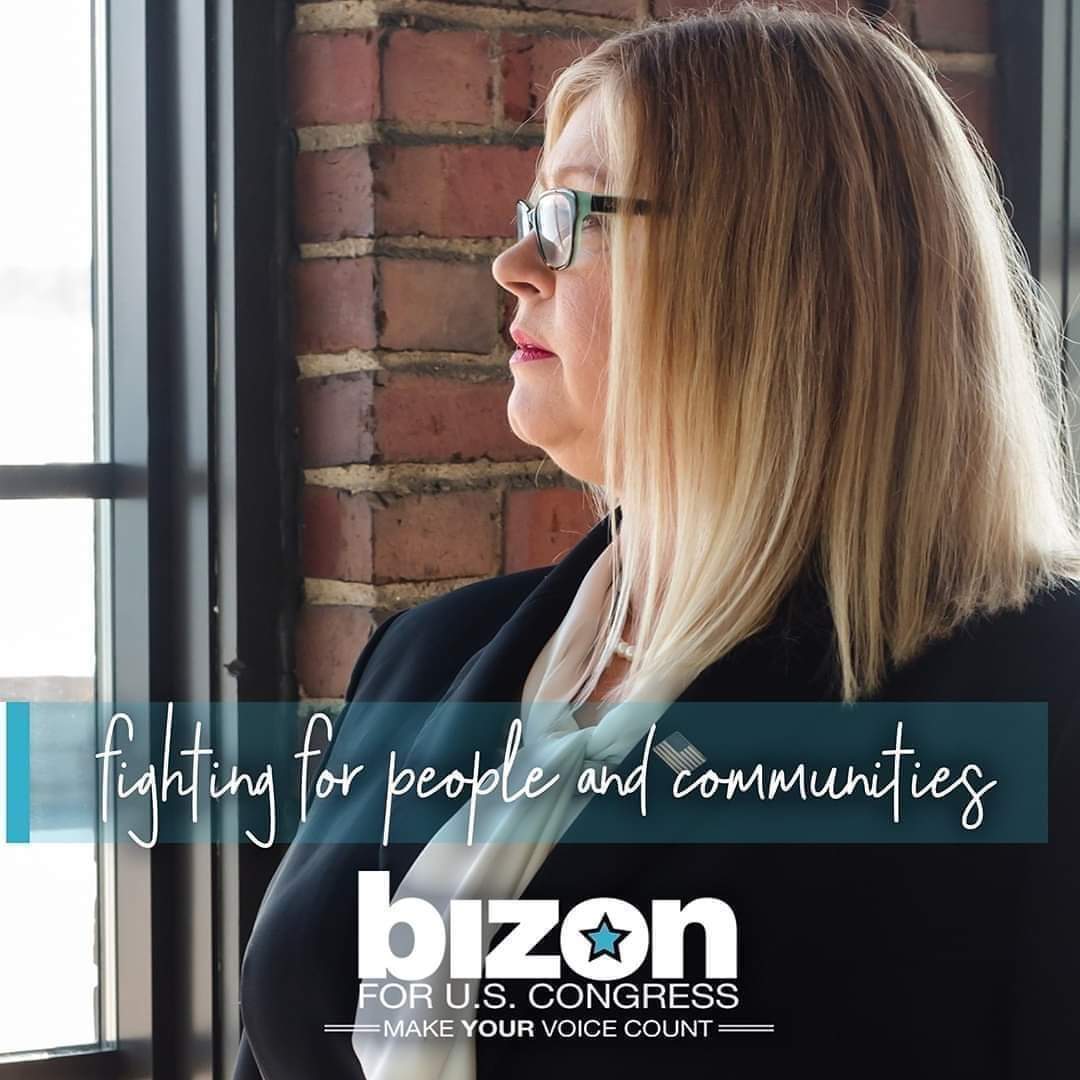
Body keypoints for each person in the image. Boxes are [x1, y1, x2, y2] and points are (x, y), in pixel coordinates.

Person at [233, 4, 1080, 1078]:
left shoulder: (1039, 698)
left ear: (774, 269)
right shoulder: (422, 657)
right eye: (531, 212)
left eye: (570, 215)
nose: (512, 263)